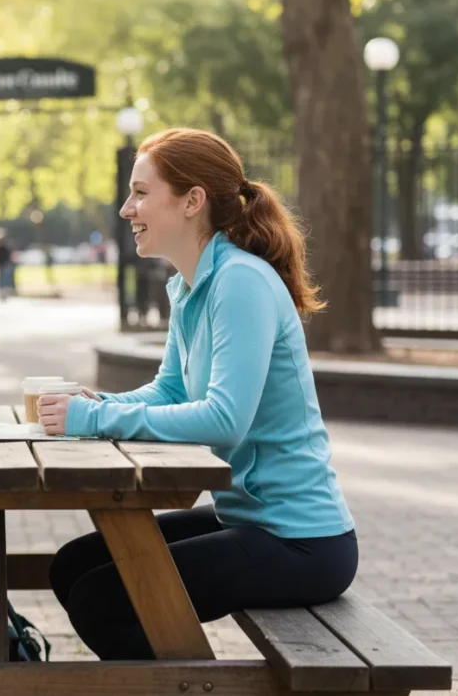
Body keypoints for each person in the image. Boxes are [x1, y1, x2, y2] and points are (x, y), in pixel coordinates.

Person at [37, 127, 356, 661]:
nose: (124, 208)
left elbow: (224, 419)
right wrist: (99, 405)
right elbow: (170, 388)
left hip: (301, 542)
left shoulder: (241, 282)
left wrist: (93, 422)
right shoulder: (191, 284)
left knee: (103, 599)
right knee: (74, 566)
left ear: (192, 201)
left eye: (140, 192)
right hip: (248, 520)